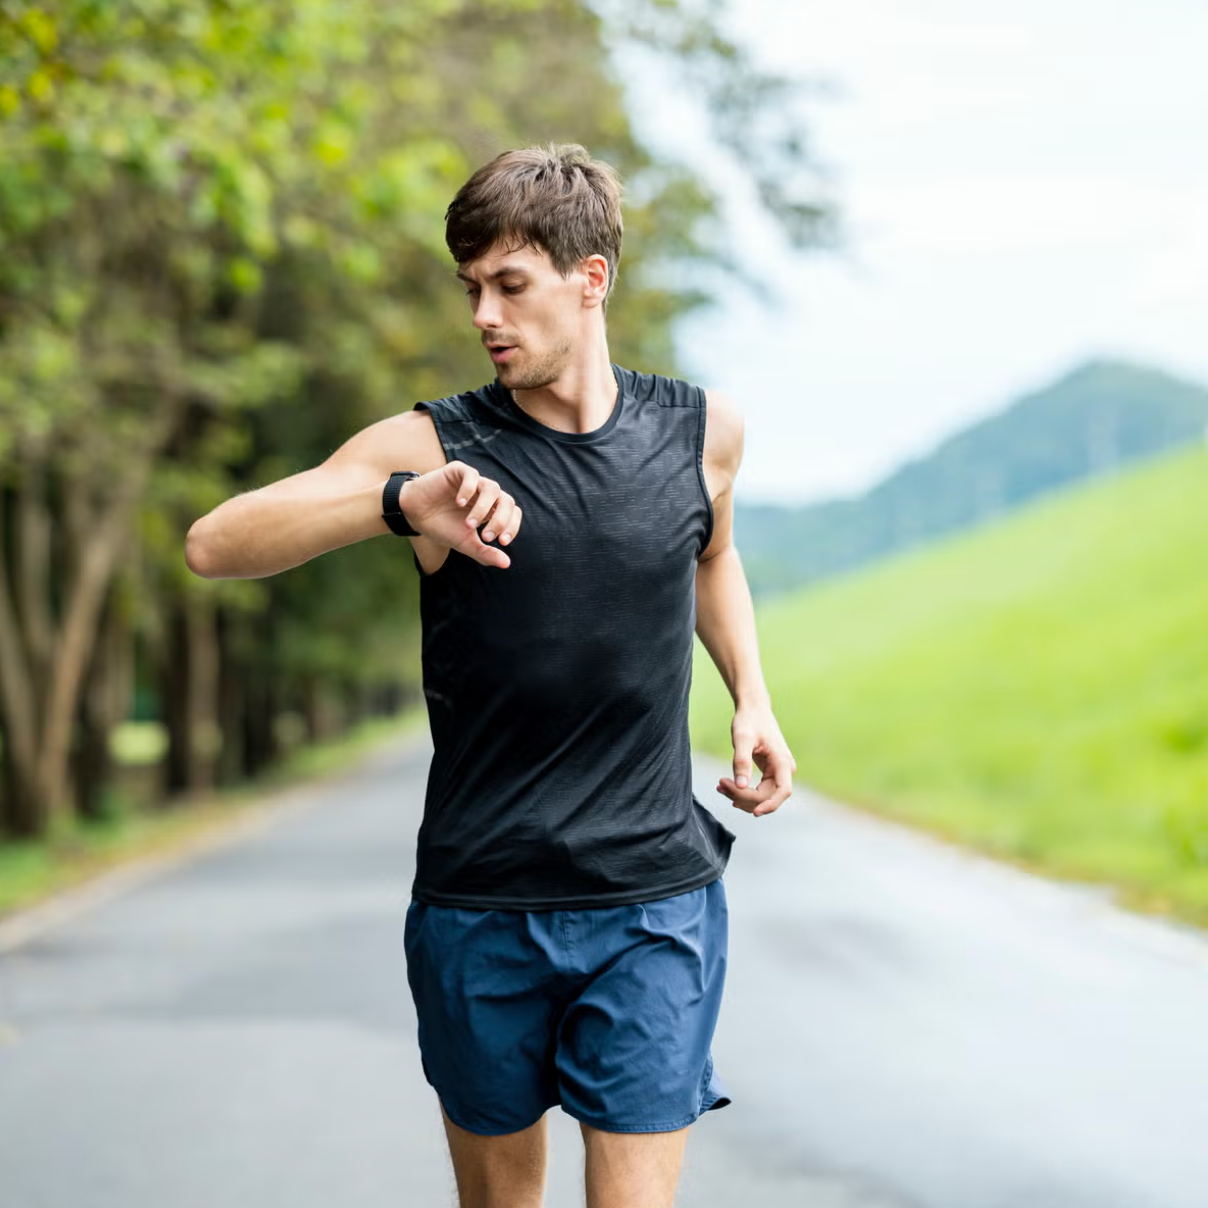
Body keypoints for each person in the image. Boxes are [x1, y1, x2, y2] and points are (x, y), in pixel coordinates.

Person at [186, 142, 795, 1208]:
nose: (483, 313)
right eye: (471, 287)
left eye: (509, 283)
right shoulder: (437, 445)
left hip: (652, 895)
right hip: (481, 903)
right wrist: (399, 502)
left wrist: (751, 693)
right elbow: (215, 543)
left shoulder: (703, 435)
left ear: (588, 279)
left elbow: (710, 553)